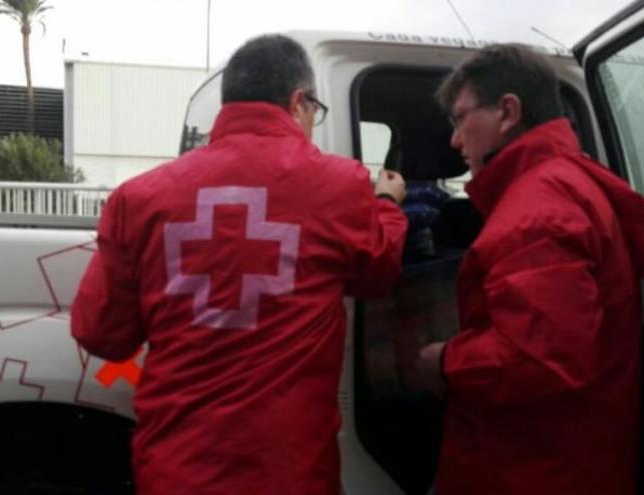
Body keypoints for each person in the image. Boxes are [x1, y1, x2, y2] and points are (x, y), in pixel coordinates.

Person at [71, 34, 408, 495]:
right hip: (291, 475)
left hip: (175, 472)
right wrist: (387, 205)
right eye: (315, 112)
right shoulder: (340, 185)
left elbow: (101, 334)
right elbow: (379, 273)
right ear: (297, 102)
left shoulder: (139, 198)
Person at [417, 44, 644, 494]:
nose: (455, 140)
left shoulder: (538, 213)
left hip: (533, 470)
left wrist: (445, 362)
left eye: (459, 118)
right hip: (566, 456)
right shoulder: (562, 182)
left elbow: (539, 360)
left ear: (507, 111)